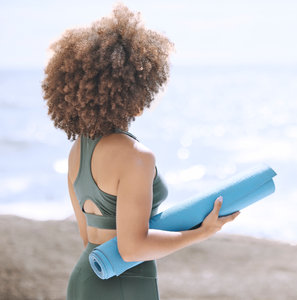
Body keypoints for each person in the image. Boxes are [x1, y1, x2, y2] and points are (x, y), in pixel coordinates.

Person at [41, 4, 240, 300]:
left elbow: (89, 237)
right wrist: (202, 232)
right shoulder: (136, 156)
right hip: (124, 281)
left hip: (87, 277)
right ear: (136, 86)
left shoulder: (78, 150)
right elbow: (132, 248)